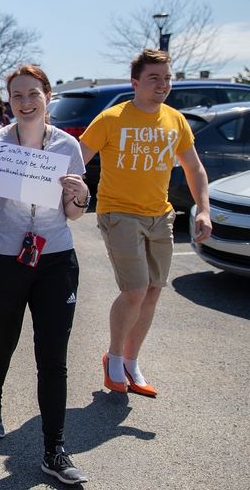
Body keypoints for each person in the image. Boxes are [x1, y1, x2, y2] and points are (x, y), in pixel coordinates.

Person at [0, 65, 90, 485]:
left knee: (53, 356)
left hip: (55, 256)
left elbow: (73, 212)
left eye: (33, 93)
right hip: (6, 255)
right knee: (3, 337)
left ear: (47, 95)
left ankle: (54, 448)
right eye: (17, 96)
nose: (26, 102)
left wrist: (80, 197)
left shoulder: (67, 146)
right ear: (8, 101)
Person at [79, 49, 211, 397]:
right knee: (135, 291)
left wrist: (203, 209)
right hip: (119, 213)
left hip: (160, 215)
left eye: (167, 78)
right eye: (154, 78)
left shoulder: (175, 120)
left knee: (152, 292)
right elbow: (75, 160)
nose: (163, 85)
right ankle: (115, 359)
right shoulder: (111, 118)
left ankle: (132, 363)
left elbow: (194, 168)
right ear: (135, 82)